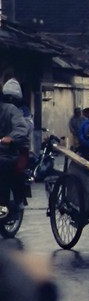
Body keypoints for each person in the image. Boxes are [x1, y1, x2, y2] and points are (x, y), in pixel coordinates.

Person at [0, 90, 29, 220]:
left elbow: (22, 127)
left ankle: (3, 205)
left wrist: (10, 137)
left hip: (8, 152)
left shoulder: (10, 110)